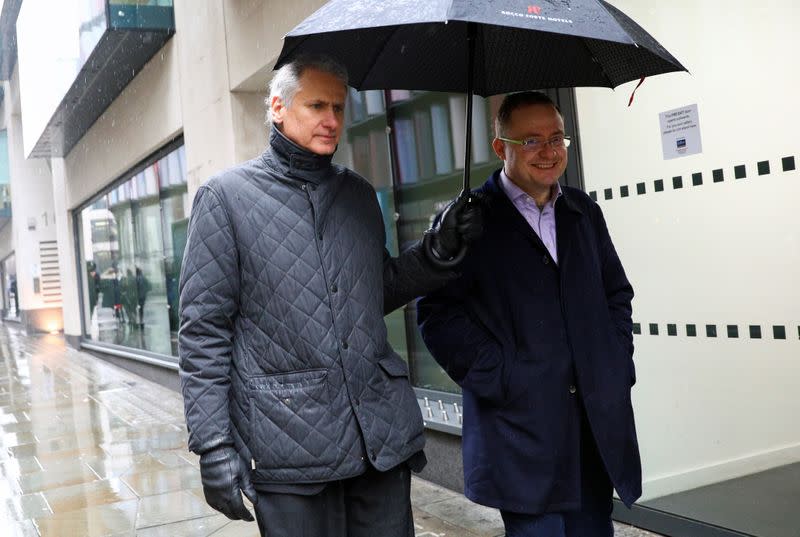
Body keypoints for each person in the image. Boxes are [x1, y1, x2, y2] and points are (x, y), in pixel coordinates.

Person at [178, 55, 482, 537]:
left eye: (339, 107)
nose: (332, 120)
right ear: (277, 107)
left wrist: (437, 250)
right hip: (288, 452)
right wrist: (213, 444)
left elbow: (376, 289)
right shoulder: (224, 199)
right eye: (317, 105)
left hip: (378, 444)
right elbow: (203, 332)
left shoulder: (358, 194)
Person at [417, 91, 641, 537]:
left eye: (557, 137)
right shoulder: (468, 223)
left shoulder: (584, 212)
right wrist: (502, 376)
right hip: (520, 433)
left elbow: (616, 293)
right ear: (501, 148)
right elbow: (437, 314)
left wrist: (615, 362)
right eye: (532, 141)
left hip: (592, 430)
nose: (549, 151)